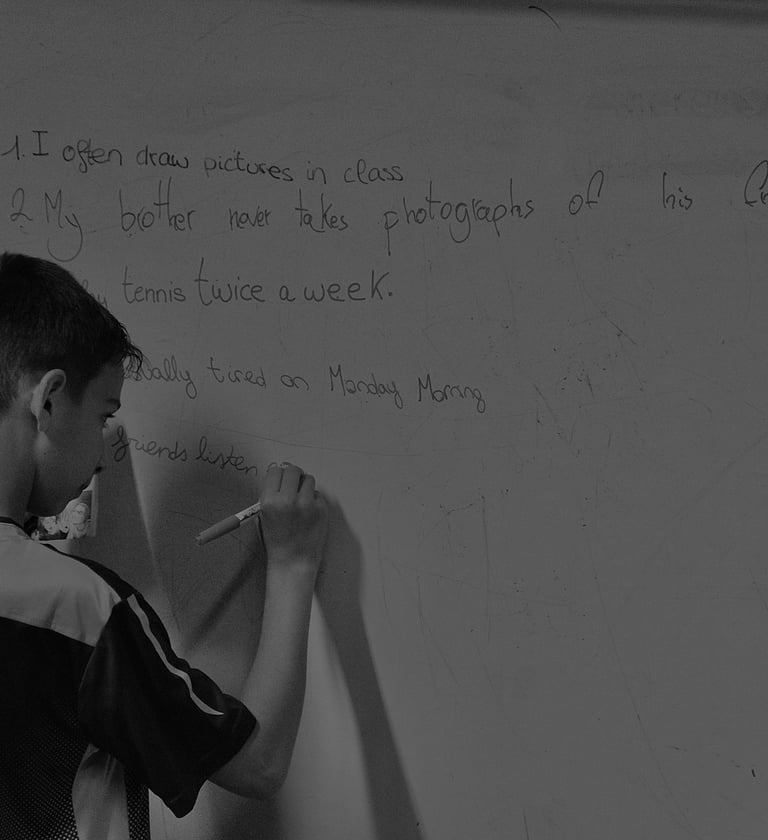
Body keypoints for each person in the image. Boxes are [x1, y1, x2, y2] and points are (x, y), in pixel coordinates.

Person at [0, 252, 328, 838]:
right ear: (48, 400)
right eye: (103, 416)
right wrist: (293, 563)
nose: (103, 454)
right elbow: (258, 764)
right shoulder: (82, 610)